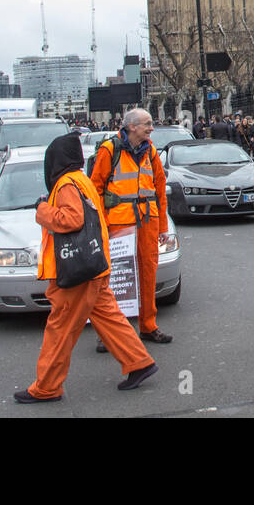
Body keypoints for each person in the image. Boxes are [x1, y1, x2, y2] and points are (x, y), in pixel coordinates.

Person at [14, 134, 157, 402]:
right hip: (94, 265)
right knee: (109, 319)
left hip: (76, 271)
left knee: (60, 330)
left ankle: (46, 388)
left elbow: (72, 219)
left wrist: (42, 210)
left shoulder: (66, 184)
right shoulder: (82, 180)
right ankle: (139, 362)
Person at [89, 108, 172, 345]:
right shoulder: (109, 150)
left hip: (147, 222)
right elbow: (95, 189)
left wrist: (163, 228)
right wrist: (101, 225)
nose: (151, 127)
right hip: (118, 224)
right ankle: (110, 334)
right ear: (132, 126)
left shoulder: (151, 152)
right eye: (147, 124)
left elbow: (160, 191)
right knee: (117, 280)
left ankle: (148, 325)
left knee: (148, 274)